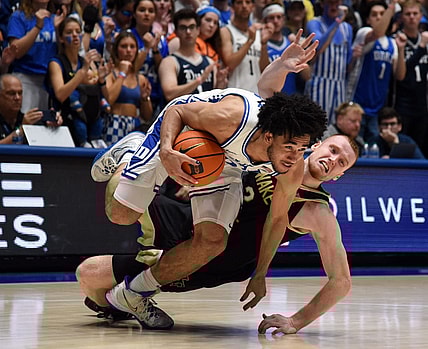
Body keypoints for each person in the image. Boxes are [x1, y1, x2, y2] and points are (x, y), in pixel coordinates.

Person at [89, 32, 325, 328]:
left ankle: (133, 294)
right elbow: (178, 110)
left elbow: (277, 219)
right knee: (121, 215)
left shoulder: (291, 166)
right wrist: (166, 152)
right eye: (289, 147)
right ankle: (128, 153)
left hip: (227, 164)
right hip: (184, 129)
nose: (295, 156)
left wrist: (260, 274)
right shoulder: (234, 117)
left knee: (213, 242)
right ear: (268, 137)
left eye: (302, 149)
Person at [77, 134, 358, 333]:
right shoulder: (278, 156)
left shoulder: (318, 213)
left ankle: (126, 300)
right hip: (193, 220)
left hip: (212, 262)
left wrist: (295, 322)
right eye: (333, 150)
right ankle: (130, 155)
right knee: (120, 198)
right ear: (318, 144)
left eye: (342, 162)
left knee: (88, 274)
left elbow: (341, 281)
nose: (333, 160)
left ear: (339, 176)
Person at [346, 0, 406, 142]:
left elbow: (400, 75)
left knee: (372, 148)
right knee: (353, 146)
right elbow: (377, 32)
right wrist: (391, 6)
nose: (379, 17)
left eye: (382, 14)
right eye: (374, 14)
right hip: (356, 103)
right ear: (368, 19)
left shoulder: (392, 43)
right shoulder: (364, 32)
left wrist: (402, 49)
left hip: (377, 107)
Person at [48, 16, 107, 148]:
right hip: (64, 121)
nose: (75, 35)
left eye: (78, 31)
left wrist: (102, 80)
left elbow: (102, 96)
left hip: (87, 120)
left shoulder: (85, 61)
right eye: (69, 32)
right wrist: (83, 71)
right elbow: (61, 94)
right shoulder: (56, 63)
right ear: (61, 38)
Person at [7, 0, 67, 112]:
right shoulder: (19, 17)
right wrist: (37, 27)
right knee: (27, 122)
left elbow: (62, 54)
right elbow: (16, 51)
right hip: (25, 78)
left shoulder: (54, 18)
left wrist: (58, 31)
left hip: (49, 81)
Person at [159, 9, 227, 102]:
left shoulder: (209, 62)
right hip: (182, 114)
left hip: (205, 114)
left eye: (191, 27)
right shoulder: (169, 62)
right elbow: (169, 94)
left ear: (198, 30)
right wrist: (198, 81)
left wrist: (220, 83)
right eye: (183, 28)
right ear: (176, 32)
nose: (188, 32)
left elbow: (214, 97)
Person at [305, 0, 353, 124]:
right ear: (322, 4)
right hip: (319, 83)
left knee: (337, 126)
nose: (334, 6)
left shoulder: (347, 28)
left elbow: (348, 61)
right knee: (317, 125)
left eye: (336, 3)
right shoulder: (315, 23)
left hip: (339, 84)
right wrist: (337, 22)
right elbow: (319, 45)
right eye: (330, 3)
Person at [101, 30, 153, 145]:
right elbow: (109, 100)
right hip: (114, 124)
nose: (128, 50)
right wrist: (122, 74)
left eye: (132, 47)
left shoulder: (140, 78)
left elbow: (147, 116)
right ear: (116, 50)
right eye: (124, 46)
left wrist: (145, 99)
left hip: (134, 125)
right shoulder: (110, 74)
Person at [392, 0, 428, 157]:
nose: (412, 17)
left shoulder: (426, 39)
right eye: (408, 14)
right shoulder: (396, 40)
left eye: (415, 14)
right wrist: (420, 49)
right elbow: (400, 75)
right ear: (402, 17)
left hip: (423, 105)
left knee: (422, 147)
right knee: (404, 147)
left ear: (421, 16)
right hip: (402, 104)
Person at [219, 0, 273, 93]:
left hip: (256, 94)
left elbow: (264, 70)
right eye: (239, 2)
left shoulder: (258, 33)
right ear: (232, 7)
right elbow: (230, 64)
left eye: (248, 2)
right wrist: (249, 41)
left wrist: (263, 44)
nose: (244, 6)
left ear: (253, 6)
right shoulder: (226, 31)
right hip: (234, 93)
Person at [262, 3, 311, 95]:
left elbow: (307, 76)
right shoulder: (262, 44)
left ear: (284, 19)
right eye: (271, 18)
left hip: (291, 97)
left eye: (279, 17)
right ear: (264, 21)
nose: (275, 21)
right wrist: (263, 44)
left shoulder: (291, 44)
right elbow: (262, 70)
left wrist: (302, 58)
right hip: (269, 97)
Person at [0, 74, 63, 144]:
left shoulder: (29, 120)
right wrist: (22, 130)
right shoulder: (26, 123)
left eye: (20, 93)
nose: (17, 98)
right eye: (11, 93)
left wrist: (53, 125)